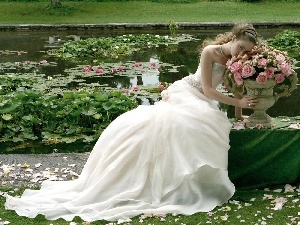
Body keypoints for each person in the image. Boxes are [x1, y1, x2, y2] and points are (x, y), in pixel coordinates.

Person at [5, 23, 259, 222]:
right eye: (240, 47)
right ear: (233, 38)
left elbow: (235, 89)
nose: (242, 53)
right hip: (191, 93)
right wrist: (239, 105)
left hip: (206, 100)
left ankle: (196, 181)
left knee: (200, 124)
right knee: (180, 124)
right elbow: (207, 88)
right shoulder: (210, 52)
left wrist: (240, 114)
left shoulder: (238, 61)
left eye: (246, 51)